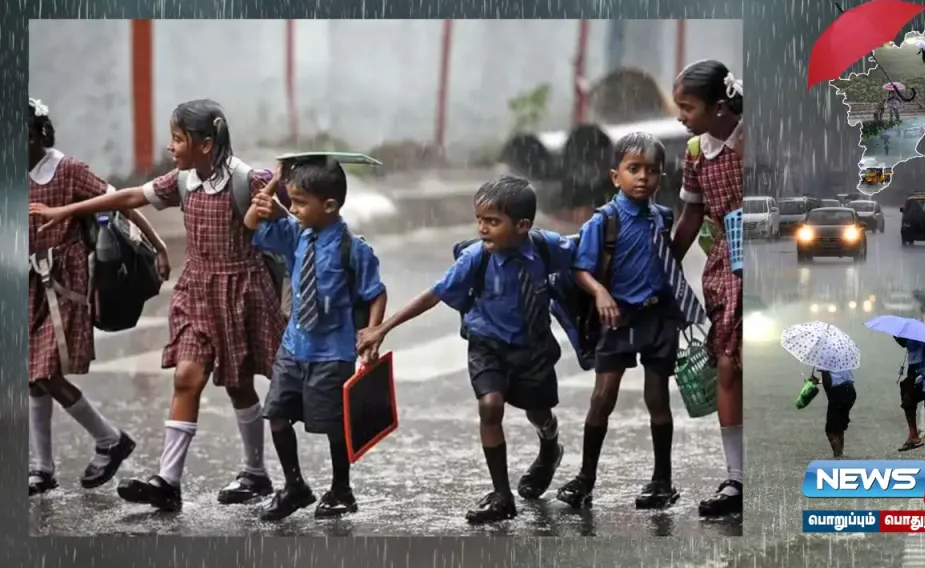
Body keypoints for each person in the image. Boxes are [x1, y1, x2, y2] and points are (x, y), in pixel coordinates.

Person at [29, 99, 287, 511]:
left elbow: (292, 229)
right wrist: (67, 209)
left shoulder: (248, 180)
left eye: (178, 139)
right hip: (197, 292)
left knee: (240, 386)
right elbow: (130, 197)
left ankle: (255, 473)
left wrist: (275, 212)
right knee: (186, 377)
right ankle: (168, 481)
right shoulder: (182, 180)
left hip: (242, 293)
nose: (171, 147)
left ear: (205, 144)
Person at [357, 175, 573, 524]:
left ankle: (550, 446)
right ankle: (502, 495)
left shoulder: (546, 248)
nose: (483, 229)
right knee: (490, 406)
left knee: (539, 411)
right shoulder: (476, 257)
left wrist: (602, 293)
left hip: (532, 348)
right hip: (486, 344)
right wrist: (384, 327)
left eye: (493, 222)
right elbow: (434, 293)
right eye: (480, 220)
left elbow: (585, 260)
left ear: (522, 226)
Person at [27, 98, 170, 496]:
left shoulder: (67, 170)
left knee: (43, 373)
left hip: (63, 287)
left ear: (35, 133)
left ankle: (110, 440)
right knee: (32, 380)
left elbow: (121, 200)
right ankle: (42, 467)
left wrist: (157, 246)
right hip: (27, 289)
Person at [554, 132, 703, 511]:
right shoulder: (603, 222)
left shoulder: (661, 216)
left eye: (651, 171)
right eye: (633, 169)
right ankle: (585, 478)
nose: (642, 178)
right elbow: (580, 270)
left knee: (658, 398)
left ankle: (661, 480)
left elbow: (669, 259)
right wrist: (600, 293)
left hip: (657, 318)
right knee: (603, 397)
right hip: (617, 318)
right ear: (615, 176)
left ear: (661, 179)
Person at [244, 157, 387, 520]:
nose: (293, 208)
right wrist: (275, 181)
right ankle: (294, 485)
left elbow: (375, 293)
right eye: (291, 201)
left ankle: (342, 489)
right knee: (275, 414)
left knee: (334, 426)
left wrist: (372, 334)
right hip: (293, 346)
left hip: (332, 352)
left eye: (300, 202)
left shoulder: (353, 249)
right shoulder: (295, 232)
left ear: (330, 205)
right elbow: (250, 223)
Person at [668, 59, 744, 517]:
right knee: (727, 364)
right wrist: (663, 266)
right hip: (723, 268)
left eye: (686, 107)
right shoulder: (696, 151)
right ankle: (736, 478)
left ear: (719, 106)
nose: (681, 116)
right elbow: (690, 217)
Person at [809, 368, 856, 458]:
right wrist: (818, 381)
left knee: (830, 431)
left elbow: (827, 381)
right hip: (850, 390)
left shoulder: (825, 357)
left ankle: (838, 457)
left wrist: (830, 396)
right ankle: (840, 454)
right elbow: (839, 378)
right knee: (839, 428)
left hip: (838, 393)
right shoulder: (843, 354)